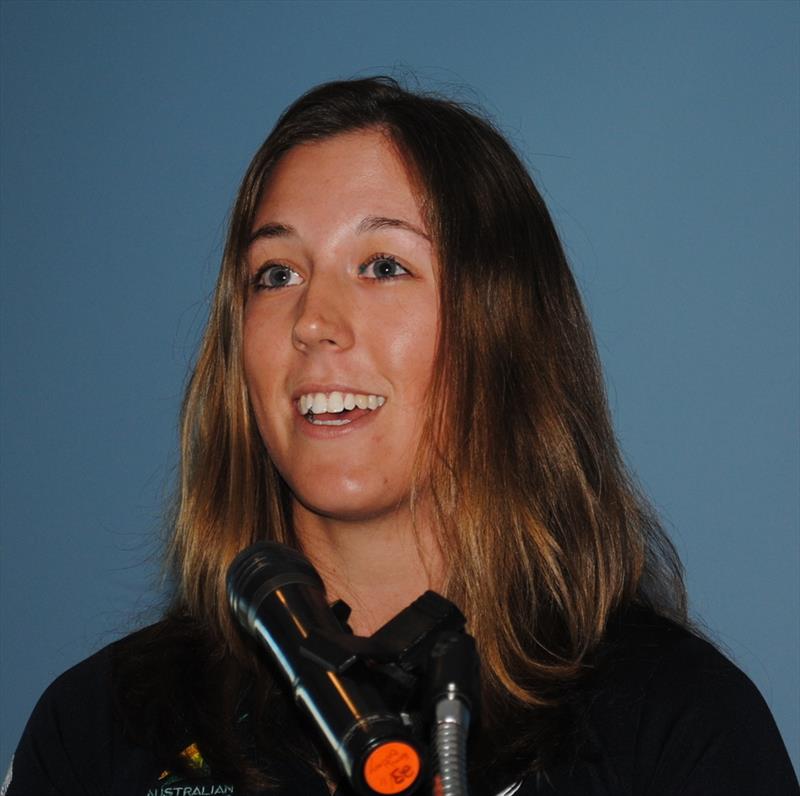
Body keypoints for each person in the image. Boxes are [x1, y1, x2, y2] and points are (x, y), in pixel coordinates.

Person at [5, 77, 798, 796]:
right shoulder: (102, 729)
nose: (312, 322)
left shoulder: (673, 728)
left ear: (503, 331)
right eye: (275, 274)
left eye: (383, 266)